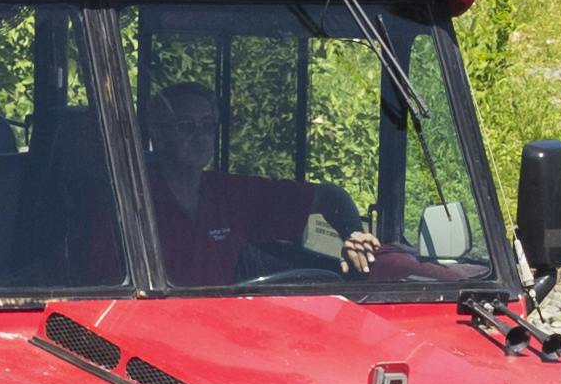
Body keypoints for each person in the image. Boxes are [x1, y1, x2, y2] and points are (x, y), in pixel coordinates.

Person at [135, 78, 379, 289]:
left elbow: (329, 196)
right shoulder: (134, 200)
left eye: (208, 126)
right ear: (158, 133)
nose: (200, 137)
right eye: (186, 126)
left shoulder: (230, 193)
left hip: (227, 324)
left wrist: (354, 235)